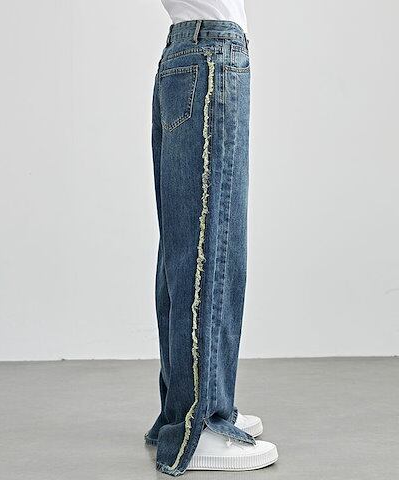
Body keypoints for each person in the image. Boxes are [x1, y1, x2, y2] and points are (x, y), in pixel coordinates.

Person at [145, 0, 278, 475]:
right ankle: (200, 425)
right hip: (211, 53)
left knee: (187, 247)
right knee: (211, 248)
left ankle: (183, 412)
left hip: (195, 50)